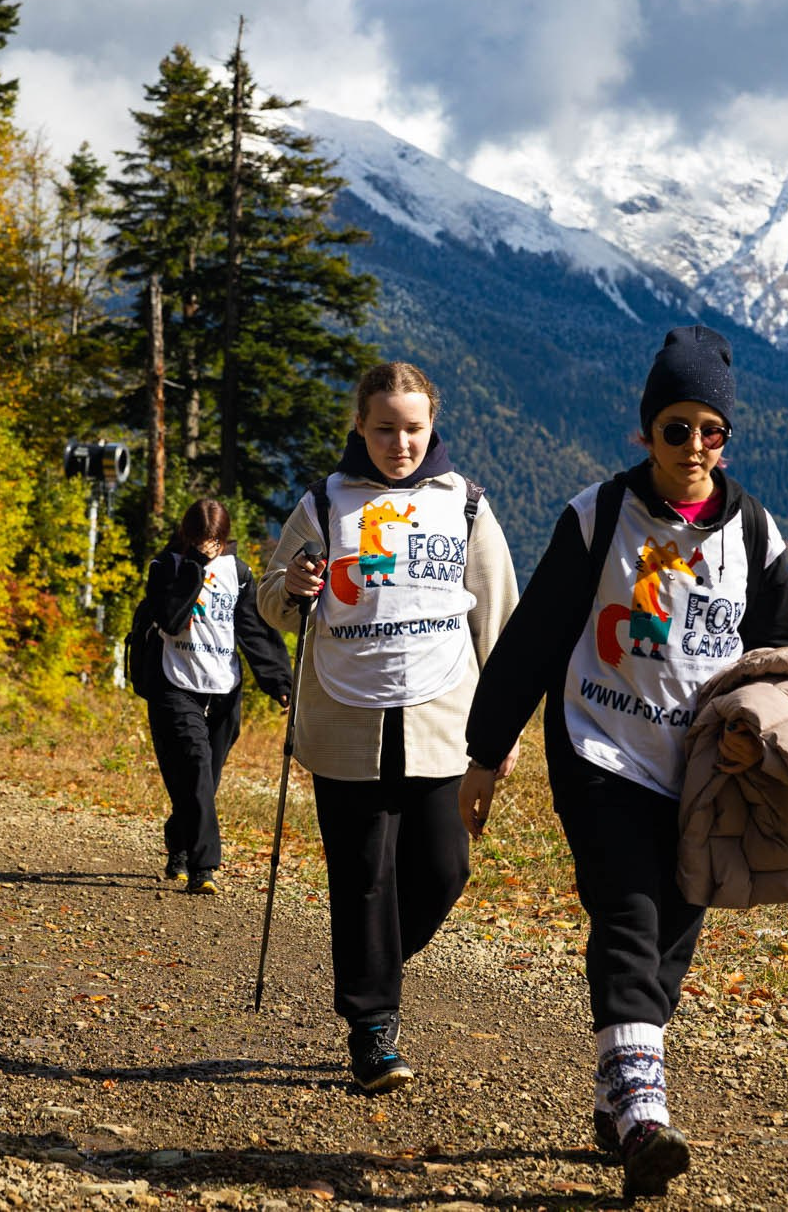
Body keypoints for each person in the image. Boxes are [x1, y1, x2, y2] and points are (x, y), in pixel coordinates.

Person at [461, 324, 788, 1199]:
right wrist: (483, 754)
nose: (693, 446)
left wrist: (755, 736)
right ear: (644, 431)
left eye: (710, 430)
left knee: (675, 932)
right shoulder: (597, 517)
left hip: (701, 770)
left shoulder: (757, 536)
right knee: (628, 911)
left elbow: (778, 661)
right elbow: (533, 641)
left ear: (727, 437)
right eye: (675, 428)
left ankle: (617, 1101)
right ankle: (645, 1111)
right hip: (599, 746)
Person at [257, 362, 518, 1094]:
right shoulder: (323, 503)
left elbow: (498, 619)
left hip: (446, 720)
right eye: (383, 428)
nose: (398, 442)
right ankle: (373, 1026)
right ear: (360, 427)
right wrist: (294, 584)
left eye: (412, 427)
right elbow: (272, 603)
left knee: (445, 868)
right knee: (364, 877)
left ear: (431, 425)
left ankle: (370, 963)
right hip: (345, 721)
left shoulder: (465, 504)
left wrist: (503, 731)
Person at [139, 500, 292, 895]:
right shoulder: (167, 567)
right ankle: (204, 867)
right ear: (188, 537)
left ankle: (179, 846)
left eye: (217, 541)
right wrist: (193, 568)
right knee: (194, 767)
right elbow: (170, 620)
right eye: (203, 540)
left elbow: (254, 629)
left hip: (224, 689)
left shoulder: (238, 573)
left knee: (204, 780)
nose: (211, 548)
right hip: (175, 685)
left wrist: (279, 681)